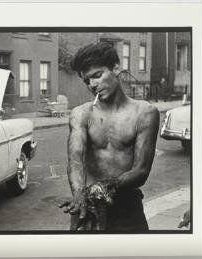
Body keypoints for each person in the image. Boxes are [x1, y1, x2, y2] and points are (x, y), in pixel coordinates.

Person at [59, 42, 160, 232]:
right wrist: (80, 195)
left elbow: (141, 171)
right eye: (86, 80)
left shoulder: (145, 113)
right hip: (88, 206)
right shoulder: (81, 114)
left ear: (115, 68)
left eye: (97, 75)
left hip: (127, 207)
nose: (92, 85)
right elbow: (75, 160)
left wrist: (102, 187)